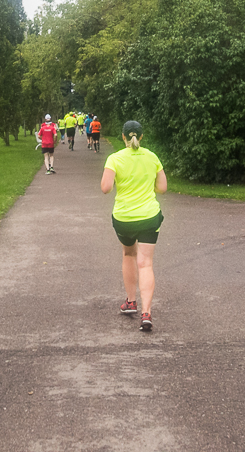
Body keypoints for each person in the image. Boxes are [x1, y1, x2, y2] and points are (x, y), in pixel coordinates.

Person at [100, 120, 167, 332]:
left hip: (124, 219)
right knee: (145, 263)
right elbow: (163, 188)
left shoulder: (115, 159)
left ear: (122, 137)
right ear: (142, 136)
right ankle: (146, 313)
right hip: (149, 217)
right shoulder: (152, 157)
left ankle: (131, 302)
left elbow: (105, 188)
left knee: (129, 254)